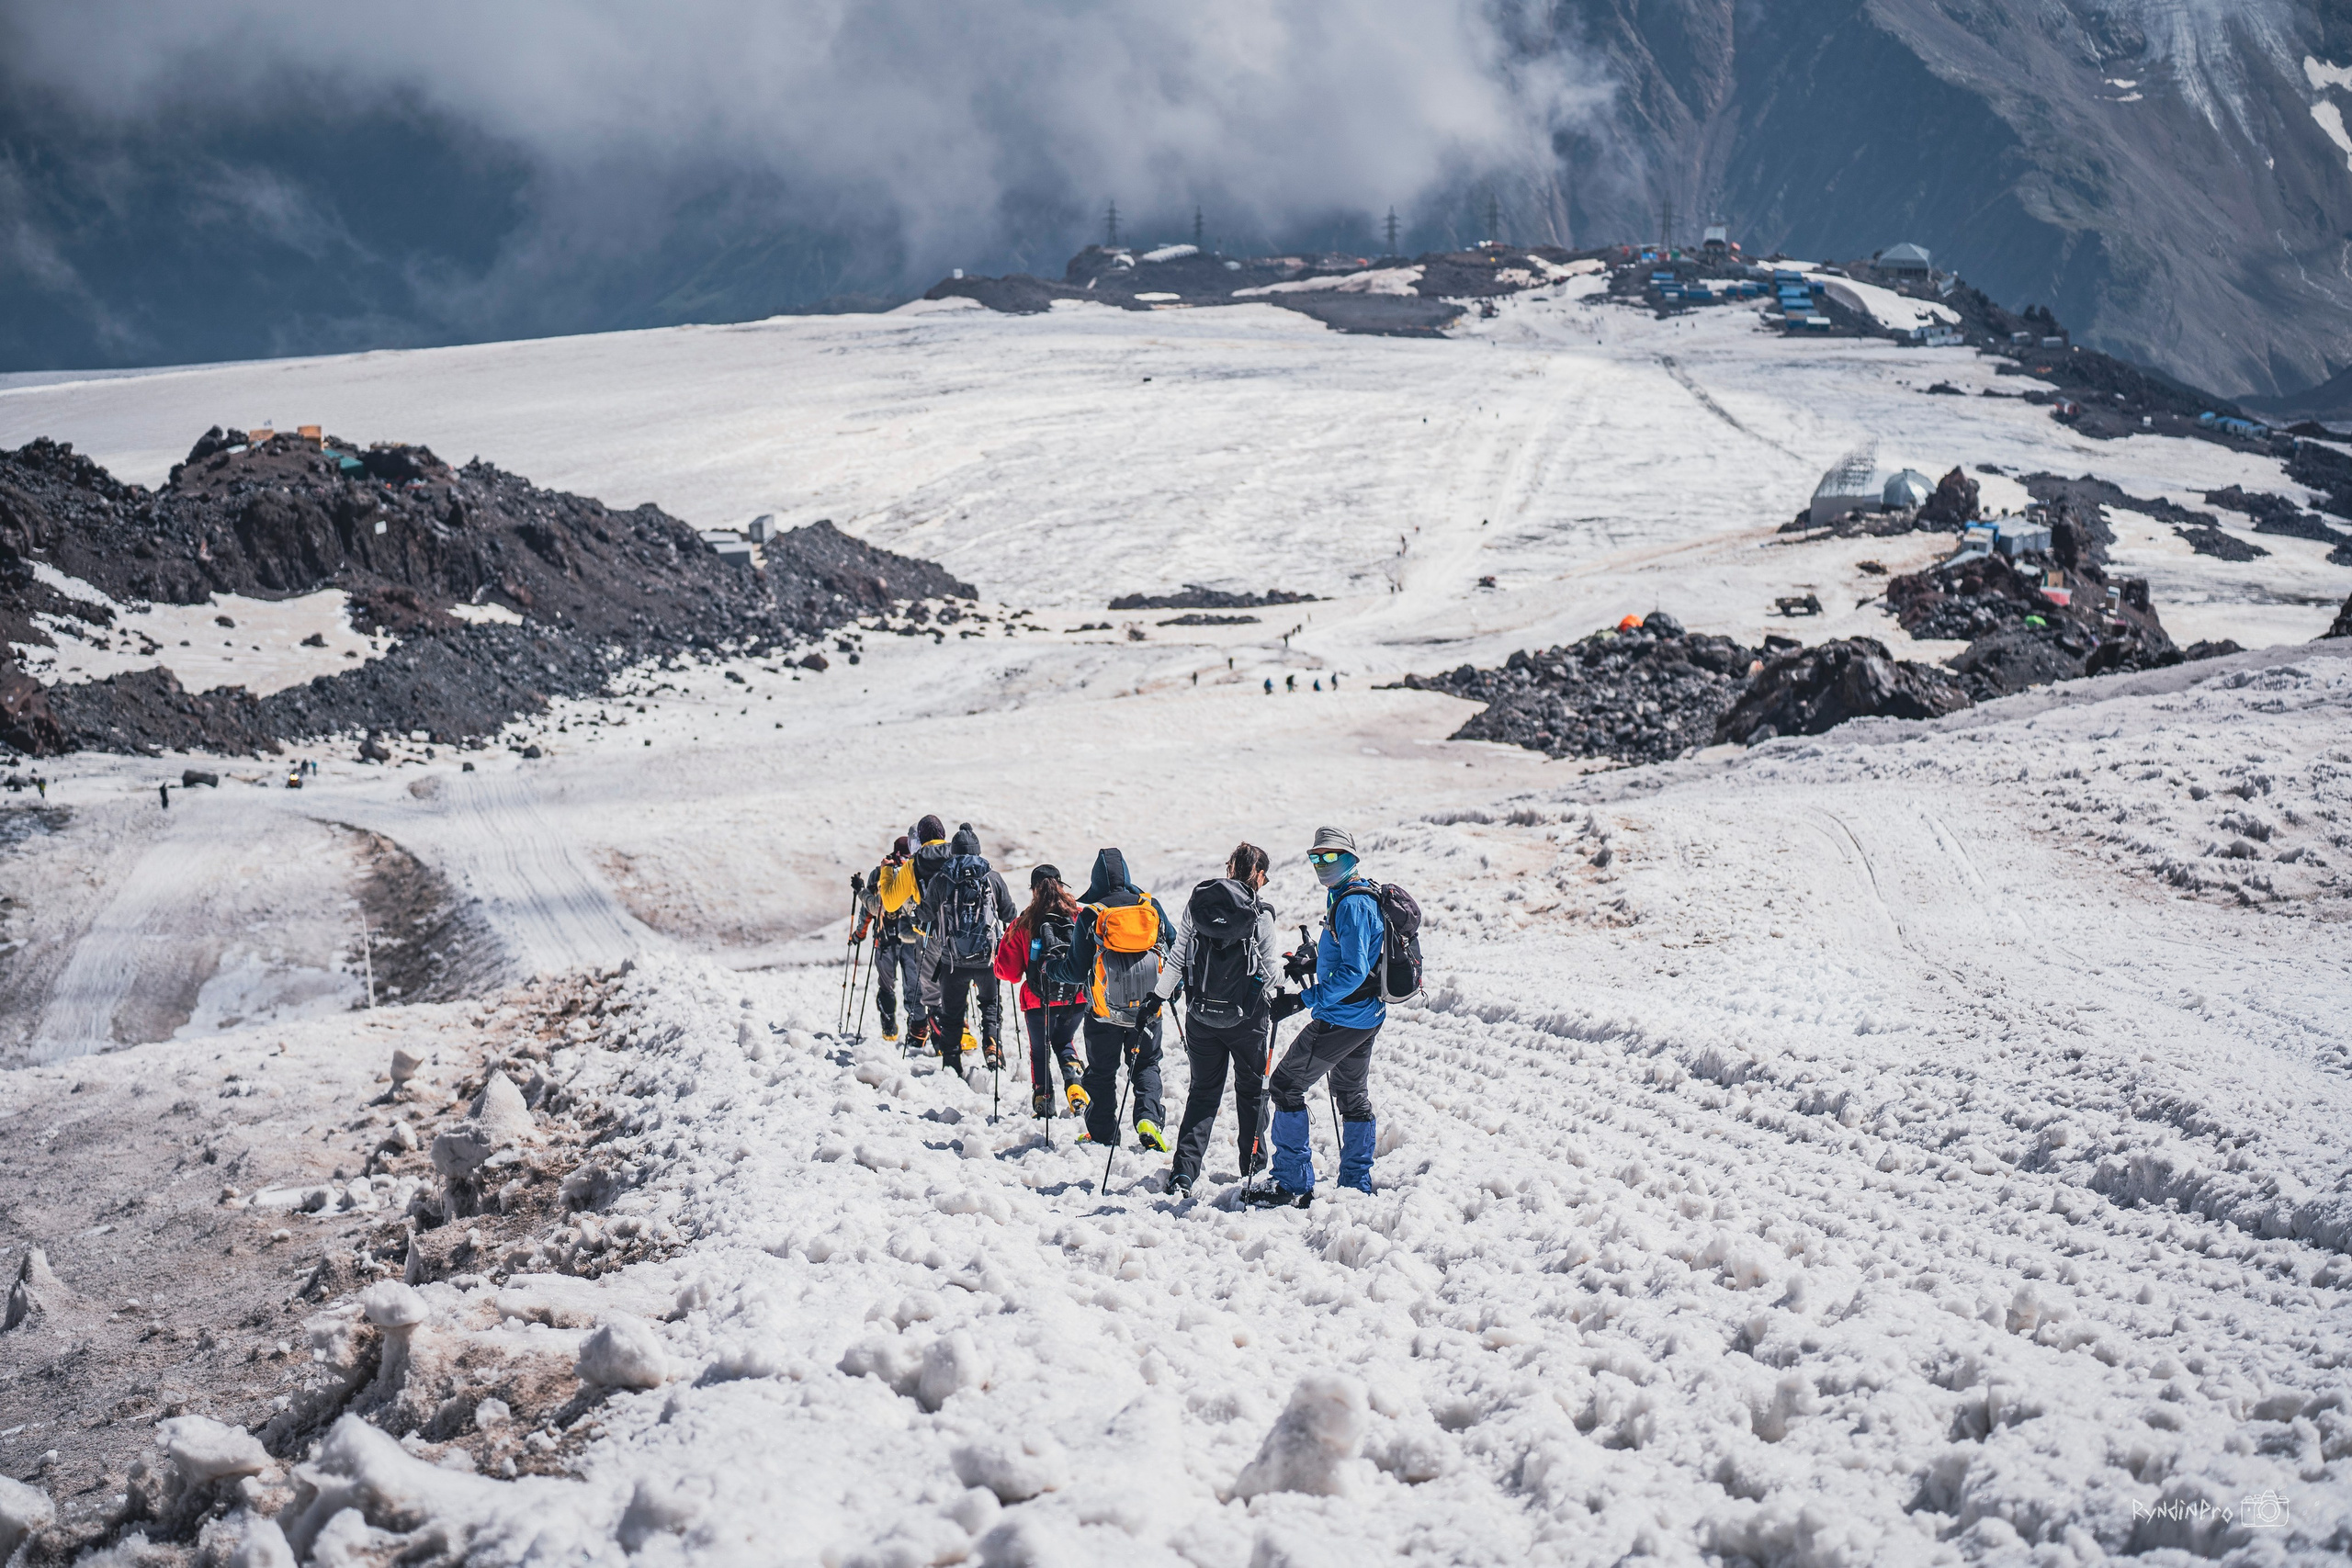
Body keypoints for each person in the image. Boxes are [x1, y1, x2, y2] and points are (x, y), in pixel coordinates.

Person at [1248, 827, 1385, 1207]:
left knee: (1285, 1086)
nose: (1322, 864)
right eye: (1315, 857)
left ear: (1351, 857)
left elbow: (1354, 971)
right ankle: (1356, 1184)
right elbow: (1352, 956)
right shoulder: (1344, 895)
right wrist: (1311, 959)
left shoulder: (1353, 903)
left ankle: (1291, 1183)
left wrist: (1303, 999)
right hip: (1364, 1014)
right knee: (1352, 1095)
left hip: (1342, 1017)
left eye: (1331, 856)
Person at [1155, 843, 1278, 1198]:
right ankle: (1252, 1168)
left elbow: (1178, 959)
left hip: (1201, 1019)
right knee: (1252, 1093)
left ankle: (1183, 1173)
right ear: (1256, 874)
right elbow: (1269, 974)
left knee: (1203, 1093)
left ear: (1230, 868)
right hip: (1248, 1020)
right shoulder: (1260, 913)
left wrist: (1158, 998)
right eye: (1264, 875)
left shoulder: (1199, 905)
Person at [1044, 849, 1173, 1152]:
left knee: (1101, 1072)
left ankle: (1102, 1132)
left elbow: (1075, 970)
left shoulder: (1092, 913)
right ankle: (1148, 1120)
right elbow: (1175, 948)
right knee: (1146, 1065)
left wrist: (1050, 967)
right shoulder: (1149, 906)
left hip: (1104, 1012)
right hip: (1148, 1009)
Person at [919, 824, 1016, 1082]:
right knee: (991, 1006)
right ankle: (993, 1045)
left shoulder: (942, 877)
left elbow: (925, 914)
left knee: (952, 1014)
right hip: (987, 961)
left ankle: (952, 1065)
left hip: (953, 963)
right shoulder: (991, 877)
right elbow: (1009, 914)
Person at [994, 865, 1090, 1119]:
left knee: (1040, 1050)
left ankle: (1044, 1099)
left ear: (1034, 890)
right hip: (1076, 998)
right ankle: (1076, 1086)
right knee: (1063, 1040)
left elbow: (1008, 973)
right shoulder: (1078, 917)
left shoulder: (1023, 922)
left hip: (1038, 1000)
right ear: (1060, 884)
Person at [854, 836, 924, 1044]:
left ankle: (902, 1030)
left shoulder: (887, 872)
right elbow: (871, 909)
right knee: (903, 985)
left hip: (892, 939)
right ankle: (905, 1030)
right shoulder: (905, 871)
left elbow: (871, 908)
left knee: (899, 985)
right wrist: (860, 932)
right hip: (901, 938)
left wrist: (860, 892)